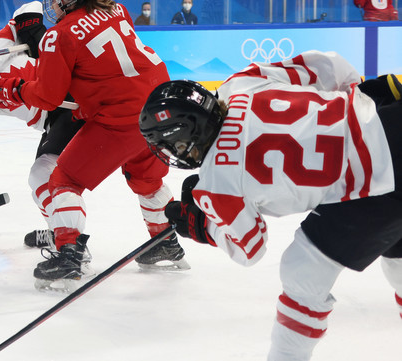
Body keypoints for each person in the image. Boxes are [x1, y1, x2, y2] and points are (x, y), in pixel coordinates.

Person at [138, 54, 402, 361]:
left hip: (381, 181)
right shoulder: (238, 84)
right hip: (391, 118)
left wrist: (204, 227)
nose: (171, 153)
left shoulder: (216, 184)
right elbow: (327, 66)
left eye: (171, 145)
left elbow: (250, 249)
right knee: (397, 258)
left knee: (303, 272)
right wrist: (361, 101)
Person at [0, 0, 186, 288]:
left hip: (120, 119)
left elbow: (49, 97)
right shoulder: (118, 10)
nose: (52, 4)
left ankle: (69, 257)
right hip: (158, 108)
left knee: (62, 178)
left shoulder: (59, 35)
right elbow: (105, 68)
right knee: (146, 178)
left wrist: (15, 88)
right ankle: (164, 242)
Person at [0, 3, 89, 275]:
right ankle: (59, 232)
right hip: (54, 120)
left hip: (70, 104)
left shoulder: (2, 44)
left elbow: (28, 9)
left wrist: (29, 22)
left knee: (42, 174)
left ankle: (71, 243)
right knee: (39, 180)